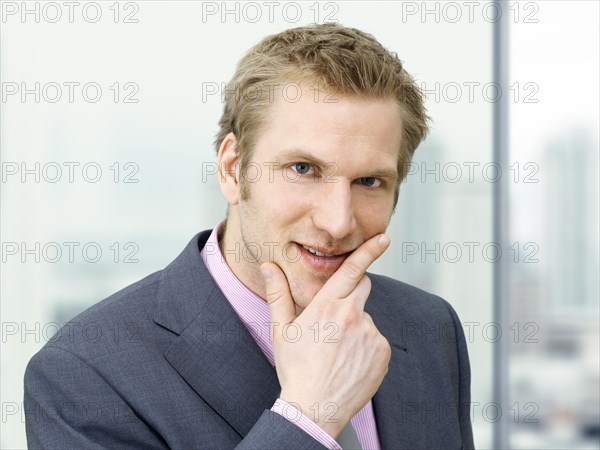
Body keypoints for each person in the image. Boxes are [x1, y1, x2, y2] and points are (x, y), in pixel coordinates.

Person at [24, 23, 474, 449]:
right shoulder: (85, 373)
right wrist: (308, 417)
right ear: (233, 168)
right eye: (303, 169)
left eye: (370, 181)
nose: (338, 223)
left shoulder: (430, 325)